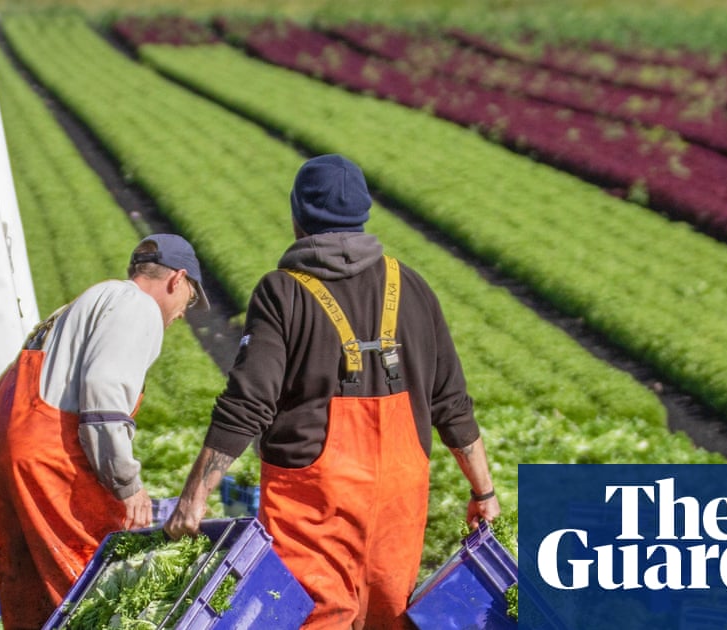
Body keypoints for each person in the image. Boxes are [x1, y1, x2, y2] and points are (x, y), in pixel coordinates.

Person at [164, 154, 501, 629]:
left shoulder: (283, 293)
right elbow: (453, 403)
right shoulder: (412, 287)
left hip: (314, 505)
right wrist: (483, 490)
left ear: (297, 217)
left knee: (315, 618)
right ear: (363, 214)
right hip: (399, 499)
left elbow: (247, 404)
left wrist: (194, 498)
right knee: (389, 616)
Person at [0, 233, 209, 630]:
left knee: (27, 592)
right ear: (177, 279)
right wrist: (127, 484)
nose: (184, 311)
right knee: (90, 591)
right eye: (190, 297)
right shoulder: (138, 307)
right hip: (45, 457)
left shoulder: (86, 302)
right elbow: (103, 397)